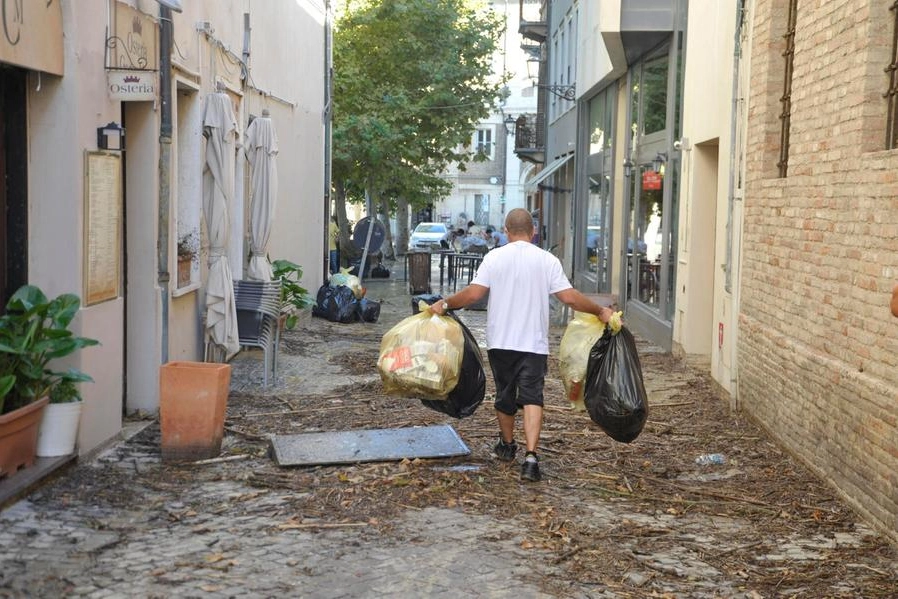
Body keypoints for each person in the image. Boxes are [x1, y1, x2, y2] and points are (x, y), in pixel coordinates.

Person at [430, 208, 614, 482]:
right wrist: (599, 311)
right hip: (533, 343)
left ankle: (507, 446)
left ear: (506, 231)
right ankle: (530, 457)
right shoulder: (547, 260)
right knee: (532, 396)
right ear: (533, 232)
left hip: (501, 341)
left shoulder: (494, 257)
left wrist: (445, 303)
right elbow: (570, 298)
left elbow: (474, 294)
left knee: (505, 395)